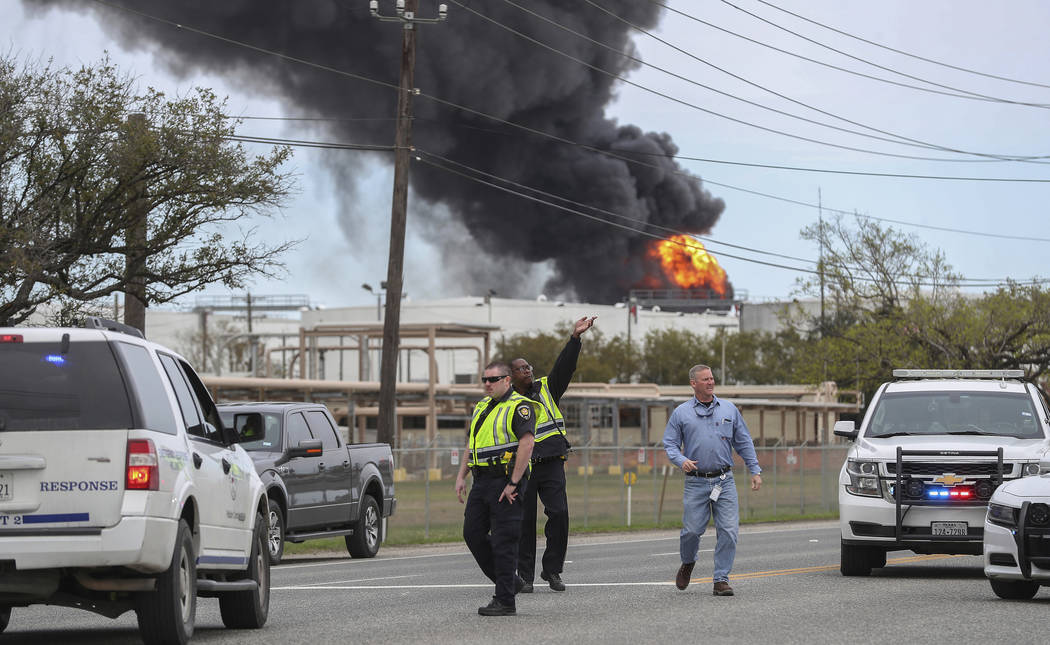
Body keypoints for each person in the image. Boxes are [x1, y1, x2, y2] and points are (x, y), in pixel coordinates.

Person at [512, 315, 596, 593]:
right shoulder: (507, 401)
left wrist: (575, 338)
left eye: (529, 367)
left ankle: (552, 570)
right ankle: (524, 576)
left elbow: (565, 367)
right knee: (525, 523)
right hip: (523, 468)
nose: (528, 370)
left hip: (551, 464)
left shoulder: (547, 388)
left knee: (559, 514)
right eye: (521, 369)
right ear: (511, 377)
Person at [663, 364, 762, 597]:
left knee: (728, 530)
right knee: (691, 531)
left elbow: (744, 442)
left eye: (711, 378)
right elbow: (670, 444)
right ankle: (688, 562)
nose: (710, 382)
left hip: (724, 481)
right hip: (696, 482)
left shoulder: (729, 409)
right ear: (693, 383)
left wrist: (755, 470)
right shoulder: (681, 413)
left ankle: (721, 579)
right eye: (705, 379)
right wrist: (681, 459)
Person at [455, 362, 538, 616]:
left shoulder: (519, 406)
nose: (488, 383)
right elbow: (472, 444)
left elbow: (527, 443)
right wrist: (461, 476)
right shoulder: (481, 406)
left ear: (507, 381)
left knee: (504, 542)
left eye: (494, 379)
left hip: (505, 481)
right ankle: (510, 583)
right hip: (481, 481)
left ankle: (505, 600)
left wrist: (513, 482)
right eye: (485, 379)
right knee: (472, 533)